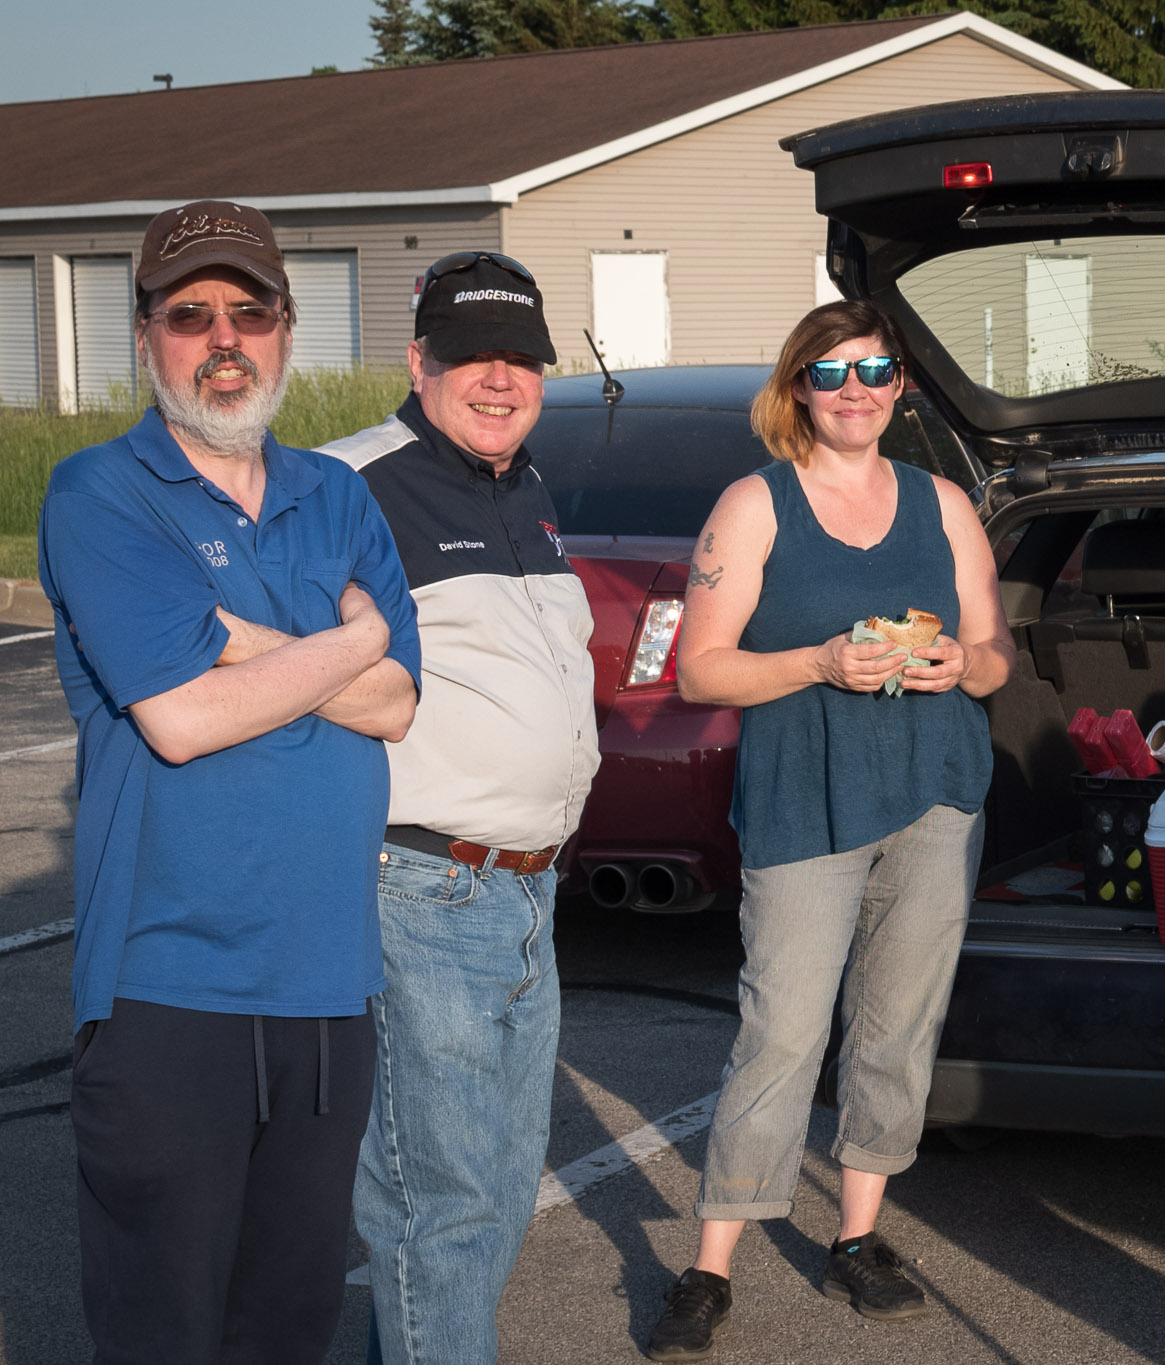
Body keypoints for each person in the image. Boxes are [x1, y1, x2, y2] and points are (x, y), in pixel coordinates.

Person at [37, 200, 420, 1364]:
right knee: (166, 1329)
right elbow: (183, 721)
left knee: (288, 1325)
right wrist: (348, 643)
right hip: (170, 995)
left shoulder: (336, 494)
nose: (223, 338)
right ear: (145, 335)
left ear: (286, 330)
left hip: (329, 989)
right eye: (189, 314)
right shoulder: (102, 493)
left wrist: (244, 641)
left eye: (250, 313)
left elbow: (396, 704)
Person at [641, 300, 1015, 1360]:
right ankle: (710, 1267)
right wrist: (817, 661)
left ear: (901, 386)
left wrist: (962, 664)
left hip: (936, 795)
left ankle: (857, 1238)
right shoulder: (754, 505)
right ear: (797, 388)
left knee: (896, 1031)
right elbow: (699, 668)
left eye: (875, 371)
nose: (856, 392)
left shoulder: (943, 502)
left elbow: (995, 654)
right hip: (803, 801)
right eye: (832, 373)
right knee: (782, 1033)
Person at [322, 253, 598, 1364]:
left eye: (520, 358)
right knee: (440, 1206)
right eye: (471, 355)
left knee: (493, 1192)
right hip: (422, 886)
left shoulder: (523, 486)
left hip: (527, 896)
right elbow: (253, 652)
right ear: (417, 362)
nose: (499, 379)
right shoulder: (346, 485)